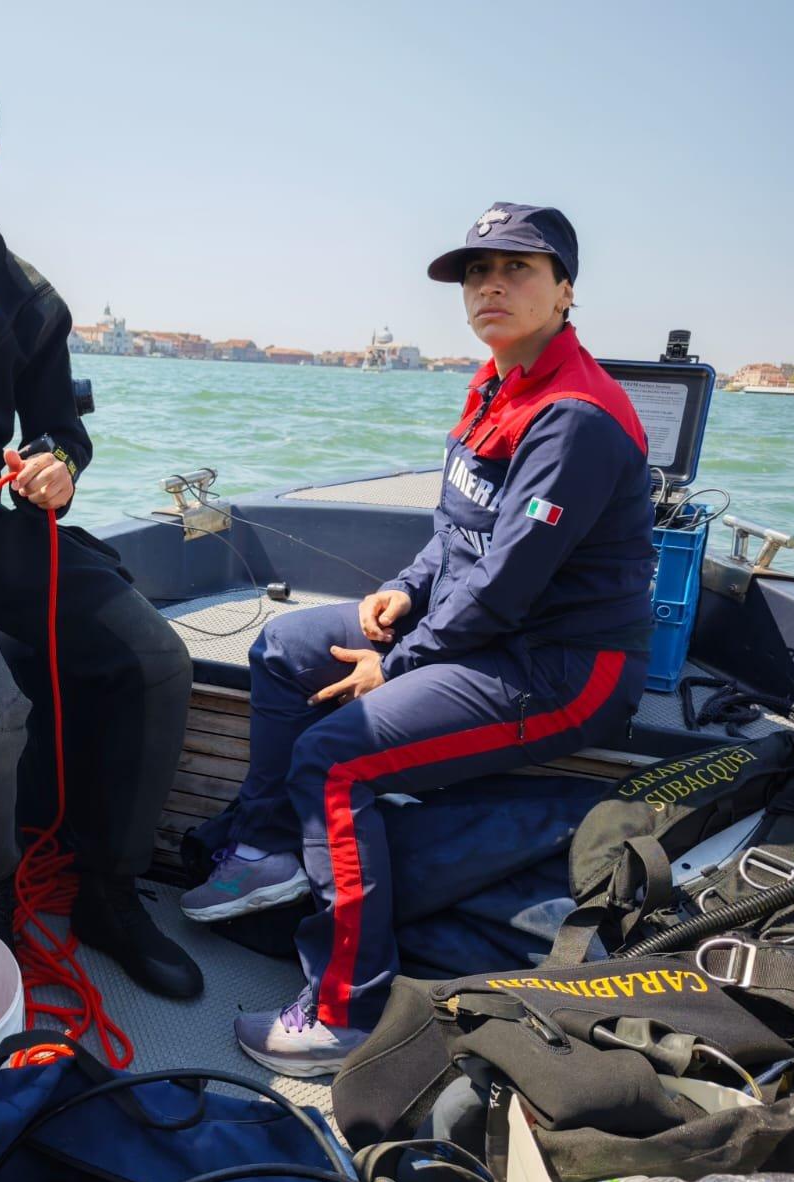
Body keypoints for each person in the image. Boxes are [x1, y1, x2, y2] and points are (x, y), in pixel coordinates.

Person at [179, 203, 654, 1075]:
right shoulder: (496, 385)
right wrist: (400, 591)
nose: (492, 286)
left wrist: (395, 662)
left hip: (562, 668)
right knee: (285, 649)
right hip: (482, 632)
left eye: (517, 268)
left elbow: (510, 579)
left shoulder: (574, 416)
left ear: (566, 290)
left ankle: (346, 1012)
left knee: (336, 757)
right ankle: (270, 849)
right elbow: (455, 530)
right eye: (478, 273)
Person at [0, 52, 202, 999]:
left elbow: (57, 425)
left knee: (155, 659)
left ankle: (108, 892)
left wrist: (59, 468)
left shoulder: (28, 292)